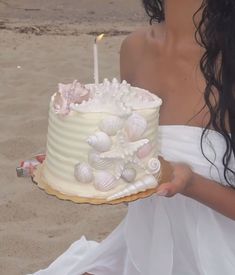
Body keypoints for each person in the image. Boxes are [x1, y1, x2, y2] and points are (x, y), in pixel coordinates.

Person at [30, 0, 235, 274]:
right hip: (146, 247)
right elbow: (136, 174)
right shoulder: (135, 49)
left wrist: (191, 183)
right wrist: (84, 166)